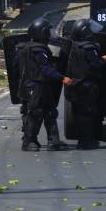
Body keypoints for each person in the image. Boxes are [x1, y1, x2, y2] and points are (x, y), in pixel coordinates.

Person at [15, 17, 73, 151]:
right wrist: (62, 78)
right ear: (42, 33)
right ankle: (29, 142)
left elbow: (15, 68)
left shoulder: (22, 48)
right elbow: (45, 69)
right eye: (48, 31)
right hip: (36, 87)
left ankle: (54, 141)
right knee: (35, 113)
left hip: (31, 86)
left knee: (50, 112)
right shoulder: (39, 51)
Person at [64, 19, 106, 149]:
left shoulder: (72, 46)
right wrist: (103, 59)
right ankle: (87, 141)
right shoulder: (89, 48)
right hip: (87, 86)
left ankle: (82, 140)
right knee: (88, 113)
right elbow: (95, 66)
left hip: (74, 85)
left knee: (78, 113)